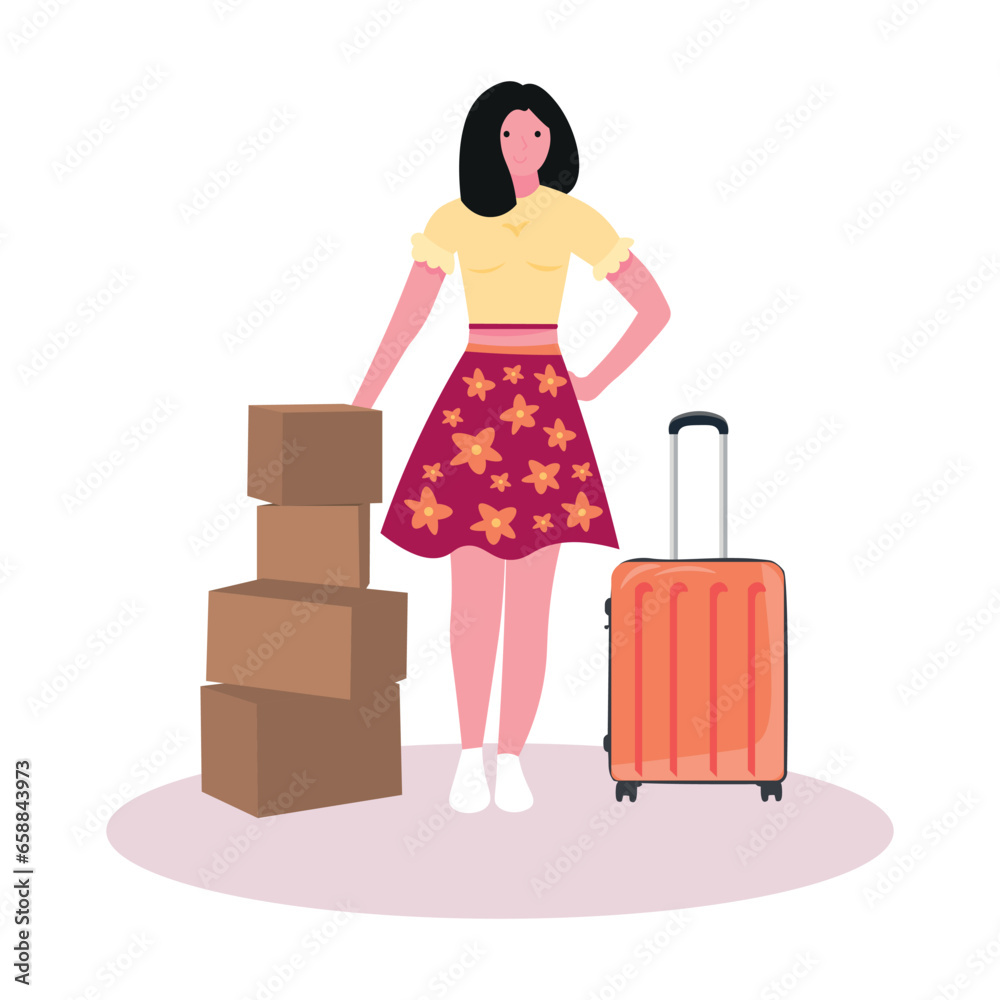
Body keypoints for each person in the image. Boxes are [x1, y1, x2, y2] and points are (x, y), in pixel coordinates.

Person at [353, 81, 670, 812]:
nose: (524, 148)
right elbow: (409, 316)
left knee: (532, 603)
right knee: (472, 601)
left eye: (536, 134)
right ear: (484, 145)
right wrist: (364, 398)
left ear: (553, 140)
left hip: (545, 415)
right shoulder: (455, 219)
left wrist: (593, 382)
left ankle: (514, 755)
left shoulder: (575, 219)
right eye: (508, 135)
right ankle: (470, 755)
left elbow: (653, 307)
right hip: (474, 412)